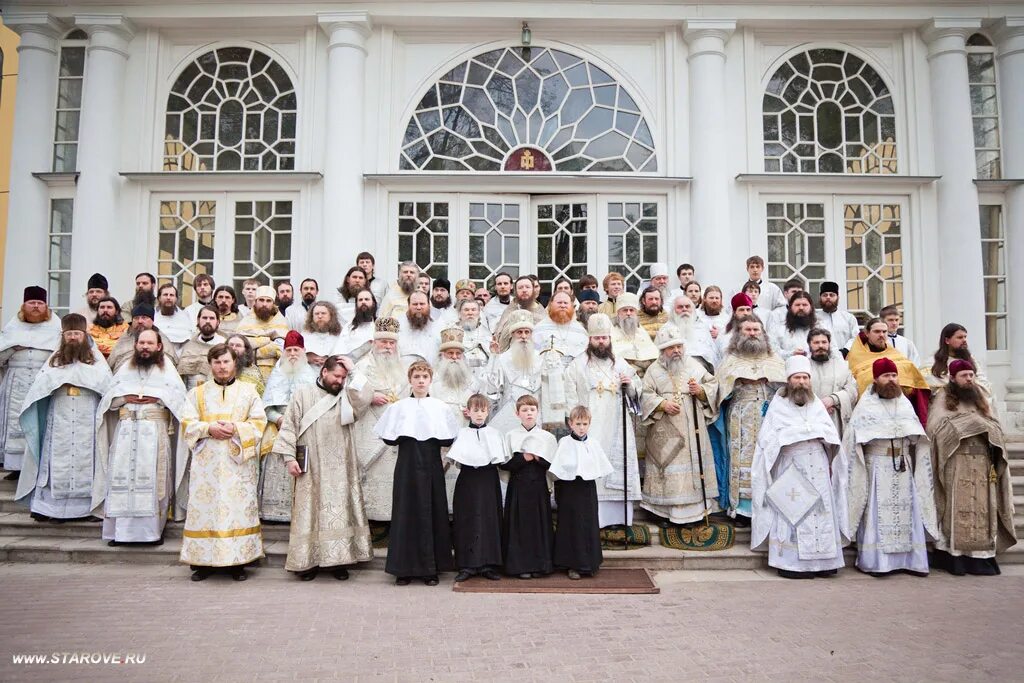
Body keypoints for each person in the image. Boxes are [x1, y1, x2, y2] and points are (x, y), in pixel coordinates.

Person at [274, 354, 373, 581]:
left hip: (340, 465)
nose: (339, 380)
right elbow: (289, 425)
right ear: (324, 372)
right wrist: (289, 458)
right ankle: (307, 563)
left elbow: (365, 398)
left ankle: (339, 560)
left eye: (343, 377)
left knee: (339, 512)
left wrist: (354, 370)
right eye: (336, 376)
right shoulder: (303, 393)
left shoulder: (347, 396)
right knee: (308, 512)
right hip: (310, 463)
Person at [751, 355, 850, 579]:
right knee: (793, 512)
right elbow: (768, 442)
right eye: (797, 377)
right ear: (789, 380)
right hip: (790, 468)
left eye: (805, 377)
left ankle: (825, 562)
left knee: (821, 511)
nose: (802, 382)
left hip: (818, 466)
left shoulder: (816, 406)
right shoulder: (778, 407)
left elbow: (830, 435)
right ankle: (792, 564)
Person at [178, 343, 266, 580]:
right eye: (217, 362)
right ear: (211, 365)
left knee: (236, 511)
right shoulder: (196, 393)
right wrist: (209, 428)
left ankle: (238, 563)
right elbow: (186, 423)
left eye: (226, 361)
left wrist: (236, 428)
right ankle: (203, 564)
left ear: (234, 363)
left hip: (237, 465)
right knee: (207, 511)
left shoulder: (248, 392)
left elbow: (259, 422)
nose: (221, 366)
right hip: (207, 466)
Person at [846, 358, 938, 576]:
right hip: (877, 466)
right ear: (876, 379)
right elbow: (854, 439)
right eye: (886, 376)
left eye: (894, 376)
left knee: (907, 513)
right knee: (878, 514)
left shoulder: (904, 403)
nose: (891, 380)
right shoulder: (865, 405)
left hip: (903, 465)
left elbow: (916, 434)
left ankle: (911, 561)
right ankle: (878, 563)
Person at [95, 329, 188, 544]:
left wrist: (158, 396)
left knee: (154, 480)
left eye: (150, 343)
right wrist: (124, 397)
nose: (145, 347)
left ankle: (152, 533)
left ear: (159, 346)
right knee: (122, 479)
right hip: (126, 432)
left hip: (155, 433)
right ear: (135, 345)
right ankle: (120, 533)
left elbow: (180, 401)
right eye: (142, 343)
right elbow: (108, 398)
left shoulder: (168, 370)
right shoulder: (125, 367)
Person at [15, 314, 112, 520]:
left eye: (77, 333)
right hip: (59, 415)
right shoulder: (54, 360)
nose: (73, 338)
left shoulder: (96, 360)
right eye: (69, 334)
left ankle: (88, 507)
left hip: (88, 414)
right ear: (63, 336)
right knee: (55, 459)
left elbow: (106, 385)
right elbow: (40, 387)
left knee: (88, 458)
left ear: (84, 335)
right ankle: (49, 508)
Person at [927, 359, 1017, 576]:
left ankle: (979, 559)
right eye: (964, 376)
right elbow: (935, 428)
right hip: (955, 463)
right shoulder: (942, 398)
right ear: (953, 378)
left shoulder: (981, 399)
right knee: (954, 509)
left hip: (984, 463)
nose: (969, 379)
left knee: (983, 510)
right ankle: (955, 559)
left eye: (971, 375)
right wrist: (969, 425)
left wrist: (982, 427)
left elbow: (995, 425)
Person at [374, 360, 460, 586]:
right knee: (406, 512)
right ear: (410, 380)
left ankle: (430, 569)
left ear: (431, 380)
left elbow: (447, 437)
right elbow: (390, 437)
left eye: (425, 377)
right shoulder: (398, 407)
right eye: (416, 377)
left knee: (431, 511)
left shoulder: (440, 407)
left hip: (432, 465)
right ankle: (404, 569)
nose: (421, 381)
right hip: (407, 465)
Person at [565, 313, 640, 528]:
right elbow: (570, 395)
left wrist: (630, 386)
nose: (601, 342)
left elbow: (637, 391)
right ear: (589, 339)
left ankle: (618, 520)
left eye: (604, 338)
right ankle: (591, 518)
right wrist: (575, 423)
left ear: (610, 339)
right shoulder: (577, 365)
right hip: (589, 427)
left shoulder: (621, 364)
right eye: (597, 338)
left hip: (617, 424)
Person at [640, 324, 720, 526]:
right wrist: (662, 404)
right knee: (666, 466)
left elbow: (712, 386)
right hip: (664, 429)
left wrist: (700, 390)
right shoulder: (653, 370)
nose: (676, 351)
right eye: (671, 347)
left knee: (690, 468)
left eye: (679, 347)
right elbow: (645, 394)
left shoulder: (694, 365)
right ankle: (663, 512)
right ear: (662, 350)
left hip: (692, 427)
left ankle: (693, 514)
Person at [712, 316, 786, 524]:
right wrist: (735, 383)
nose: (752, 333)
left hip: (768, 415)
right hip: (740, 416)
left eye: (756, 329)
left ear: (763, 333)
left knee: (767, 459)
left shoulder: (774, 358)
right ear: (738, 334)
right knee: (741, 459)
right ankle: (742, 510)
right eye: (747, 330)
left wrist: (769, 383)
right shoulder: (730, 360)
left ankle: (767, 506)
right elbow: (719, 392)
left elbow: (785, 389)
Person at [351, 318, 409, 525]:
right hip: (370, 432)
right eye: (383, 342)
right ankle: (370, 524)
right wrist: (370, 397)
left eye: (391, 343)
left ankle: (392, 522)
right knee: (371, 480)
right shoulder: (361, 367)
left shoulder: (403, 367)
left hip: (395, 436)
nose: (387, 346)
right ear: (374, 343)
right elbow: (351, 395)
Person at [0, 286, 62, 477]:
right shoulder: (13, 327)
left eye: (40, 303)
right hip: (16, 381)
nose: (36, 306)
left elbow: (60, 354)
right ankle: (15, 467)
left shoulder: (55, 326)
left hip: (40, 380)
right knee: (14, 421)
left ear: (46, 306)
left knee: (38, 420)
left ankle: (36, 466)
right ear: (24, 305)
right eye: (31, 303)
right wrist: (13, 347)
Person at [447, 393, 508, 582]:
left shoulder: (494, 434)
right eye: (476, 410)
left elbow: (500, 459)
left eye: (483, 410)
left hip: (488, 480)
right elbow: (455, 459)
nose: (480, 414)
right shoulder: (462, 434)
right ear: (469, 412)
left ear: (488, 411)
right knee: (467, 519)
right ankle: (467, 565)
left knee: (489, 519)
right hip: (468, 481)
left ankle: (488, 564)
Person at [258, 331, 316, 522]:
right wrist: (278, 419)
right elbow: (266, 407)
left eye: (296, 350)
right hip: (279, 428)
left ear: (304, 351)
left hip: (305, 427)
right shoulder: (277, 374)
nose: (292, 354)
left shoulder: (312, 375)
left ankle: (301, 512)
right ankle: (274, 514)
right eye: (289, 350)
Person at [550, 405, 613, 580]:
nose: (581, 427)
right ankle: (573, 565)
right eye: (578, 423)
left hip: (587, 489)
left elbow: (598, 467)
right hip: (569, 488)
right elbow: (558, 470)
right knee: (571, 525)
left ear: (589, 424)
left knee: (588, 524)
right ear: (570, 424)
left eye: (585, 424)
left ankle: (590, 563)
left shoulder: (593, 444)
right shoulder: (564, 443)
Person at [501, 395, 557, 579]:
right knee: (519, 526)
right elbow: (504, 464)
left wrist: (538, 457)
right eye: (524, 410)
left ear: (537, 412)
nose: (529, 413)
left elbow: (554, 465)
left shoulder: (547, 437)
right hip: (518, 488)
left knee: (538, 525)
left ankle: (540, 566)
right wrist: (524, 458)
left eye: (532, 410)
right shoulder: (511, 436)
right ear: (518, 414)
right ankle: (520, 566)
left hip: (539, 488)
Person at [487, 310, 562, 435]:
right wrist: (493, 358)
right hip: (510, 415)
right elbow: (492, 390)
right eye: (519, 332)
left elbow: (550, 390)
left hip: (536, 416)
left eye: (527, 332)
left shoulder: (542, 358)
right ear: (512, 334)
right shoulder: (502, 359)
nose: (523, 336)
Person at [847, 318, 930, 424]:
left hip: (900, 410)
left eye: (884, 331)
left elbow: (916, 384)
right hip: (870, 413)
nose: (881, 335)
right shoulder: (856, 357)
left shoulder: (896, 354)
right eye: (877, 331)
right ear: (867, 333)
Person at [806, 328, 858, 438]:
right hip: (809, 420)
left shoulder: (842, 366)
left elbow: (853, 391)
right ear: (809, 345)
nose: (821, 346)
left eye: (824, 342)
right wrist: (819, 406)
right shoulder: (803, 366)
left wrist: (832, 400)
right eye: (816, 342)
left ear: (829, 344)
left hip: (836, 420)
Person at [923, 323, 994, 399]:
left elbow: (983, 383)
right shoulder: (932, 363)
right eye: (960, 337)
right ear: (947, 340)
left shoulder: (971, 360)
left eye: (965, 337)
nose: (964, 340)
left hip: (972, 403)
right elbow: (928, 384)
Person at [235, 285, 288, 381]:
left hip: (275, 373)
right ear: (255, 302)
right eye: (261, 300)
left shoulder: (281, 322)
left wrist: (255, 349)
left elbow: (283, 349)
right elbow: (240, 345)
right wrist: (268, 340)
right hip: (249, 372)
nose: (264, 304)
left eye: (268, 301)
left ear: (273, 303)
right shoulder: (246, 321)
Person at [107, 304, 178, 374]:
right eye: (136, 318)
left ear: (152, 320)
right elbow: (110, 365)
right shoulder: (124, 339)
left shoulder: (162, 339)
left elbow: (171, 365)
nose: (140, 321)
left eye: (144, 317)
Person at [610, 293, 658, 379]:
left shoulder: (641, 332)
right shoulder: (612, 332)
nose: (628, 313)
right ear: (618, 313)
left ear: (636, 313)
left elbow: (653, 356)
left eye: (631, 310)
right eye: (625, 310)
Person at [176, 306, 226, 389]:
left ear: (218, 322)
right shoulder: (188, 346)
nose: (208, 321)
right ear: (198, 320)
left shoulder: (224, 345)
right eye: (204, 318)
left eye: (212, 318)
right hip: (191, 393)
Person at [532, 290, 588, 362]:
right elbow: (534, 356)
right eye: (559, 303)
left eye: (566, 303)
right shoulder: (539, 329)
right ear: (550, 305)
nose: (562, 306)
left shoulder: (581, 331)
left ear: (571, 306)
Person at [493, 275, 546, 352]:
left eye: (527, 287)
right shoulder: (510, 310)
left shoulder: (541, 311)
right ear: (515, 291)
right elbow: (500, 337)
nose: (524, 290)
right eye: (520, 288)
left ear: (533, 290)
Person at [667, 294, 718, 370]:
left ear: (693, 310)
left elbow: (711, 354)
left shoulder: (702, 328)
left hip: (702, 368)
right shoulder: (666, 329)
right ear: (673, 310)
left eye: (687, 306)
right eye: (680, 307)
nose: (684, 309)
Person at [455, 298, 492, 383]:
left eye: (473, 310)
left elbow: (493, 360)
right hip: (460, 379)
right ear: (460, 314)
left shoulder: (487, 334)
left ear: (479, 314)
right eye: (466, 310)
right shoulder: (453, 332)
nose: (470, 313)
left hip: (483, 380)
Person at [398, 291, 440, 367]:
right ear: (408, 306)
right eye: (415, 304)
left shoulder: (439, 324)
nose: (418, 307)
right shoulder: (398, 324)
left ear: (428, 305)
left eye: (422, 304)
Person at [815, 282, 859, 352]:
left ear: (838, 297)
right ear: (820, 298)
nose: (828, 297)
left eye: (832, 295)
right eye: (825, 295)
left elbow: (856, 337)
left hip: (845, 358)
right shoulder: (814, 318)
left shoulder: (848, 318)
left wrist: (846, 350)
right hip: (820, 358)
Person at [334, 288, 377, 360]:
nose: (363, 302)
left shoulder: (379, 326)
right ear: (356, 304)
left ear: (373, 303)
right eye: (360, 300)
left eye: (366, 299)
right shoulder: (349, 327)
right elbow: (339, 352)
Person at [301, 301, 342, 368]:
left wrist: (330, 361)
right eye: (317, 314)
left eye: (323, 313)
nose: (320, 316)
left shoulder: (340, 336)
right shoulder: (304, 336)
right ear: (312, 317)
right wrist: (307, 358)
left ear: (331, 316)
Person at [154, 283, 194, 353]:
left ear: (176, 299)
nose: (168, 298)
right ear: (159, 298)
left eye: (171, 295)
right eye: (165, 295)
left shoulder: (185, 317)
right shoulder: (151, 316)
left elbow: (187, 343)